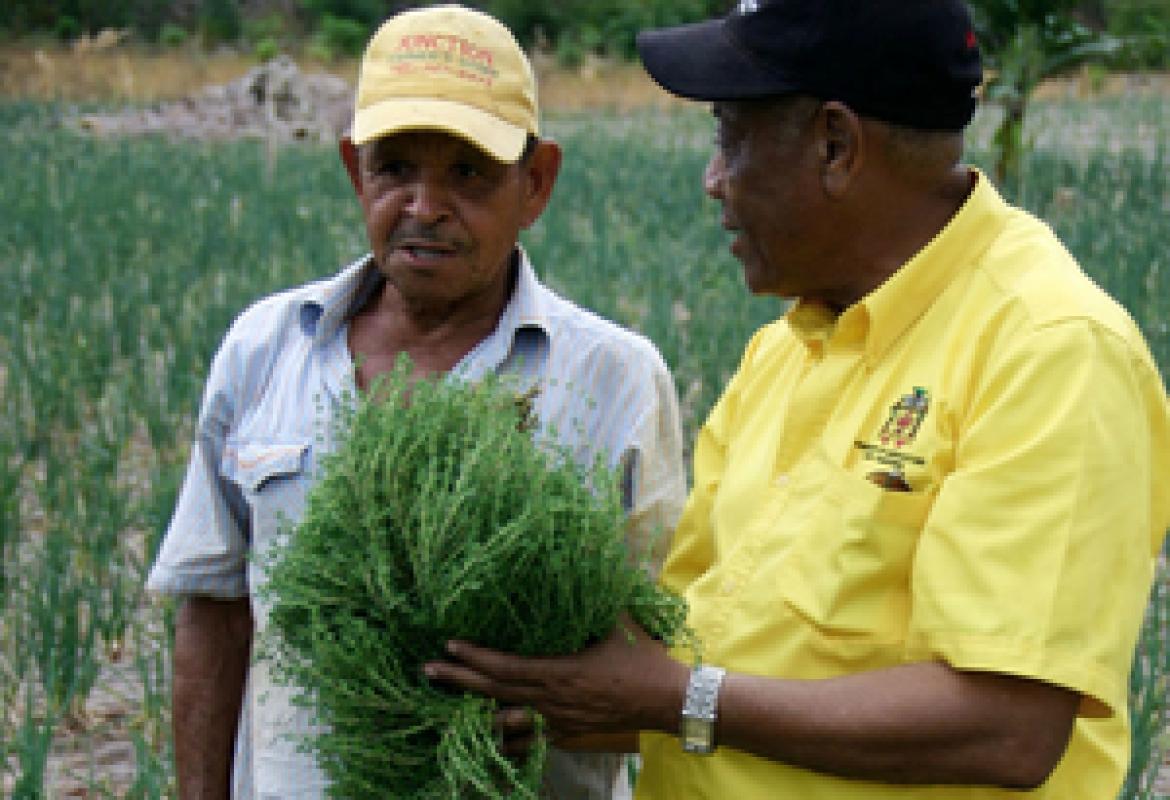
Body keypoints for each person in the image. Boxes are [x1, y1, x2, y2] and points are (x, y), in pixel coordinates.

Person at [423, 1, 1170, 798]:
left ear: (836, 146)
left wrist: (676, 701)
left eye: (730, 137)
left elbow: (1006, 724)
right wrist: (530, 694)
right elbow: (686, 647)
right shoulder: (784, 351)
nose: (712, 181)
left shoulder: (1049, 350)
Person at [146, 5, 686, 798]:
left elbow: (664, 667)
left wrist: (547, 710)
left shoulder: (614, 377)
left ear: (536, 183)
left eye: (468, 173)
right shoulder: (264, 348)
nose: (425, 206)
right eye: (395, 168)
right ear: (352, 171)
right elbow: (214, 614)